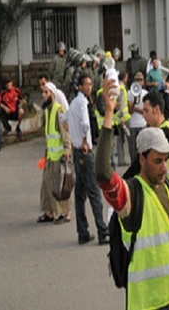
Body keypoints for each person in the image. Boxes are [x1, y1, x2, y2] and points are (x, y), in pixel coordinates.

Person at [95, 77, 169, 310]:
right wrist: (109, 114)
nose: (164, 168)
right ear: (142, 159)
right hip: (146, 303)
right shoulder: (131, 195)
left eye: (166, 160)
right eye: (157, 161)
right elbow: (103, 174)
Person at [67, 73, 108, 244]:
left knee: (80, 194)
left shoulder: (74, 103)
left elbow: (64, 118)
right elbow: (85, 124)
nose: (89, 87)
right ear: (80, 86)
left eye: (91, 84)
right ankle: (102, 231)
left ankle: (82, 232)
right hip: (84, 152)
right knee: (94, 193)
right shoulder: (82, 102)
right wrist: (84, 140)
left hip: (77, 152)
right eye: (86, 84)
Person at [38, 82, 72, 224]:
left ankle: (66, 213)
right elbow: (48, 135)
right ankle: (49, 212)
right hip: (50, 156)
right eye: (43, 92)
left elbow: (65, 132)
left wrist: (67, 149)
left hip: (60, 156)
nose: (44, 95)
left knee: (61, 186)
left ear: (53, 94)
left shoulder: (58, 110)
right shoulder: (47, 111)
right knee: (46, 183)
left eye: (46, 92)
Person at [141, 91, 169, 189]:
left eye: (146, 111)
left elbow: (141, 163)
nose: (143, 115)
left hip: (164, 185)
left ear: (156, 109)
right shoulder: (163, 129)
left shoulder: (164, 133)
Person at [127, 72, 148, 167]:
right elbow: (129, 110)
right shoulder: (129, 93)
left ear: (143, 82)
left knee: (143, 149)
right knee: (133, 151)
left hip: (142, 124)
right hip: (133, 124)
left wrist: (136, 108)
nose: (139, 82)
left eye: (141, 80)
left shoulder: (145, 94)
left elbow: (146, 110)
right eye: (137, 80)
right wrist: (134, 102)